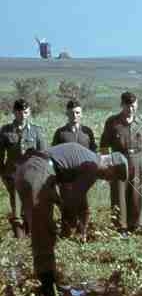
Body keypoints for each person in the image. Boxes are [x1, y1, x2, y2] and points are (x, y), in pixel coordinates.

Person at [15, 142, 128, 296]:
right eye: (112, 175)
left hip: (33, 170)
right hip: (38, 172)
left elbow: (69, 197)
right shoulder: (93, 166)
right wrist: (70, 226)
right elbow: (72, 202)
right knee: (43, 231)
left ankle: (49, 282)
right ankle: (48, 290)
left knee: (43, 230)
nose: (108, 179)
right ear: (109, 163)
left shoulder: (86, 159)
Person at [100, 92, 142, 236]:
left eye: (134, 107)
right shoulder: (112, 122)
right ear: (122, 105)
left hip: (138, 160)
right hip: (119, 160)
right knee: (118, 193)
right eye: (128, 107)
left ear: (137, 105)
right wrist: (107, 166)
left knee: (137, 193)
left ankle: (137, 225)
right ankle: (120, 227)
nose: (131, 110)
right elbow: (104, 146)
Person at [0, 99, 47, 238]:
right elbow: (0, 153)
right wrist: (3, 172)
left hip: (32, 175)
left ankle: (31, 234)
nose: (23, 115)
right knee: (16, 204)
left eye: (26, 112)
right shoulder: (5, 130)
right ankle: (20, 238)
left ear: (29, 112)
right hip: (13, 174)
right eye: (20, 112)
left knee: (31, 203)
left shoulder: (36, 130)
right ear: (14, 112)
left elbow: (43, 154)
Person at [52, 99, 97, 240]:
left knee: (84, 206)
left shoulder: (87, 132)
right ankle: (67, 234)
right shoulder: (60, 133)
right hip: (66, 177)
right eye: (72, 113)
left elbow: (94, 153)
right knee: (67, 206)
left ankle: (82, 233)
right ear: (67, 113)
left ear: (81, 114)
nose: (75, 115)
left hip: (83, 178)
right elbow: (53, 155)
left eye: (77, 112)